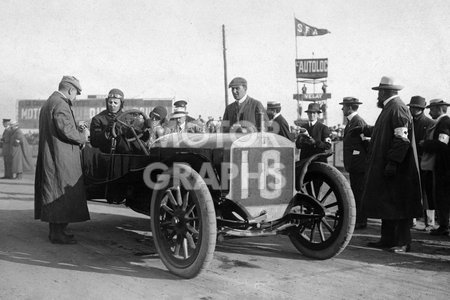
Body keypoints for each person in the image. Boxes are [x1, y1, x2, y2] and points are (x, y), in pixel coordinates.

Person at [361, 76, 422, 253]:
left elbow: (401, 140)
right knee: (387, 203)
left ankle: (403, 242)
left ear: (384, 92)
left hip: (399, 169)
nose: (377, 96)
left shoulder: (397, 108)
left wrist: (393, 163)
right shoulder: (390, 108)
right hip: (389, 167)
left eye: (379, 92)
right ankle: (387, 239)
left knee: (399, 205)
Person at [34, 76, 90, 244]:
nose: (76, 97)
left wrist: (74, 127)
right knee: (62, 193)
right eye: (76, 93)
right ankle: (57, 234)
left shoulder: (50, 102)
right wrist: (83, 137)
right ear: (71, 90)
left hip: (53, 154)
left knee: (54, 192)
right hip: (61, 157)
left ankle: (58, 231)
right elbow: (66, 131)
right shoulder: (61, 104)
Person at [421, 99, 450, 236]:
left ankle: (444, 226)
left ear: (439, 109)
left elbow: (441, 144)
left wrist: (425, 144)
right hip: (442, 167)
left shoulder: (444, 123)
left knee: (443, 196)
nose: (429, 112)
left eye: (431, 109)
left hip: (444, 168)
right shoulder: (441, 122)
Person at [407, 96, 436, 230]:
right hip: (412, 161)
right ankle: (412, 219)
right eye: (411, 107)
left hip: (424, 162)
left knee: (426, 192)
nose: (412, 109)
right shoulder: (409, 122)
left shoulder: (429, 123)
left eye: (415, 108)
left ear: (421, 109)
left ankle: (429, 222)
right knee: (412, 191)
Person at [340, 97, 369, 229]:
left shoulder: (358, 122)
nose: (342, 109)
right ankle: (359, 219)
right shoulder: (352, 122)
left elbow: (366, 143)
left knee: (359, 192)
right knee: (356, 191)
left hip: (359, 165)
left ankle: (361, 220)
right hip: (355, 164)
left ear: (350, 107)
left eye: (344, 106)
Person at [89, 88, 137, 153]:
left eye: (115, 103)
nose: (112, 105)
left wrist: (145, 127)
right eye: (110, 102)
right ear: (107, 102)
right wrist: (107, 130)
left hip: (126, 155)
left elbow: (140, 137)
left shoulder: (128, 118)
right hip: (106, 156)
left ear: (121, 104)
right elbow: (94, 142)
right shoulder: (98, 119)